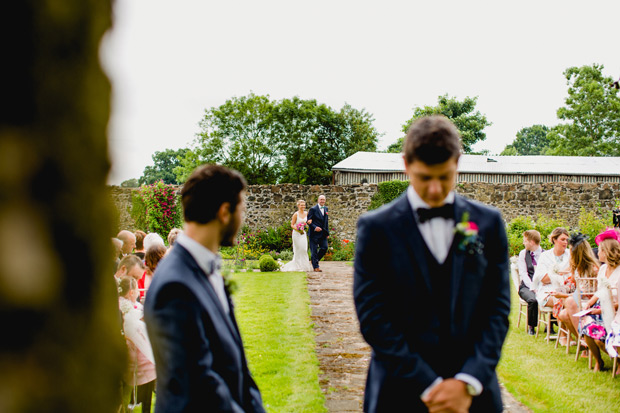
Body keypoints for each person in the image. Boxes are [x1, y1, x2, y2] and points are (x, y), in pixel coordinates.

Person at [353, 115, 510, 412]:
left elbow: (498, 308)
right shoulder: (377, 228)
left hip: (474, 397)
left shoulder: (487, 223)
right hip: (399, 392)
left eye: (445, 176)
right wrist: (429, 384)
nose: (436, 189)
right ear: (406, 165)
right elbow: (373, 317)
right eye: (425, 177)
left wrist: (467, 381)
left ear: (457, 164)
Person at [144, 164, 265, 412]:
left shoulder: (206, 269)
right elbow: (199, 386)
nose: (242, 219)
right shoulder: (173, 286)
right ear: (224, 212)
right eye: (241, 209)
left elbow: (238, 366)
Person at [579, 228, 620, 371]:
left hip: (615, 311)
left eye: (601, 250)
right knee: (586, 323)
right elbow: (600, 290)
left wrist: (601, 310)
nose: (598, 253)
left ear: (608, 252)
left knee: (599, 339)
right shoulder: (603, 269)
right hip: (601, 306)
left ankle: (618, 362)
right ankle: (599, 361)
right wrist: (589, 303)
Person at [118, 276, 156, 413]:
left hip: (132, 359)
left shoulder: (121, 306)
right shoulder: (128, 311)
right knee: (142, 397)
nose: (139, 293)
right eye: (136, 290)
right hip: (139, 362)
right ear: (131, 292)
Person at [557, 233, 598, 346]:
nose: (569, 252)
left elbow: (590, 293)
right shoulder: (577, 269)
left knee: (569, 303)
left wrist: (563, 295)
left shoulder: (593, 270)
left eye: (571, 250)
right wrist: (563, 290)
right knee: (563, 314)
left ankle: (585, 341)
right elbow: (576, 289)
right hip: (580, 301)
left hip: (591, 303)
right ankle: (584, 342)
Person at [532, 228, 571, 312]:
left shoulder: (571, 254)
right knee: (567, 303)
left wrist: (554, 275)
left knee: (572, 300)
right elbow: (544, 279)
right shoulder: (545, 256)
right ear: (554, 240)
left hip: (567, 290)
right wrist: (564, 271)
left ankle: (567, 323)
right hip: (548, 291)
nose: (565, 242)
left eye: (567, 240)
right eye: (562, 239)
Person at [517, 230, 544, 335]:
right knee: (533, 299)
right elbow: (524, 273)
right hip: (526, 286)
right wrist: (533, 287)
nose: (523, 243)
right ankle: (531, 326)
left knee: (552, 295)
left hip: (543, 285)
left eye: (525, 241)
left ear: (532, 242)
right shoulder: (523, 254)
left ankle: (550, 327)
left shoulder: (545, 254)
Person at [281, 200, 313, 272]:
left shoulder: (306, 213)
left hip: (303, 234)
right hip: (296, 234)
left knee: (304, 249)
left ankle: (304, 266)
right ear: (298, 206)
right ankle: (298, 266)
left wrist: (309, 222)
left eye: (304, 205)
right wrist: (298, 229)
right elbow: (292, 224)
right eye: (301, 205)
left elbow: (309, 221)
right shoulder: (296, 214)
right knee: (298, 250)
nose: (303, 206)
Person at [307, 195, 329, 272]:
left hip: (323, 233)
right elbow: (308, 221)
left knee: (325, 247)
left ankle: (314, 261)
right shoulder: (313, 209)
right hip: (314, 234)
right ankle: (316, 267)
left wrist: (327, 233)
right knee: (314, 250)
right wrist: (315, 227)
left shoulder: (326, 209)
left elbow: (326, 222)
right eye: (321, 199)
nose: (322, 201)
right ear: (318, 200)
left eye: (324, 200)